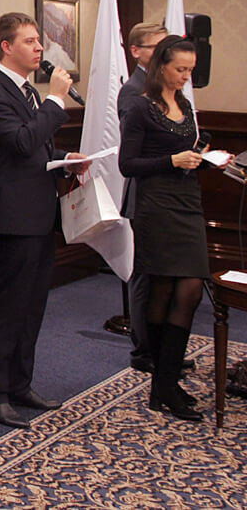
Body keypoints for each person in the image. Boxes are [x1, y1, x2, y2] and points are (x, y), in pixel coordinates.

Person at [0, 12, 88, 430]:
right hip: (13, 217)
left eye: (39, 40)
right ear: (6, 47)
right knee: (8, 308)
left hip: (40, 213)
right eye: (30, 41)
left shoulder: (29, 93)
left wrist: (64, 160)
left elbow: (36, 150)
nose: (40, 48)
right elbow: (21, 144)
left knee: (33, 305)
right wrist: (56, 100)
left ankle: (20, 384)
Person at [119, 35, 231, 421]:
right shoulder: (140, 107)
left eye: (190, 70)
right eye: (180, 69)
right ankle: (164, 384)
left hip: (187, 204)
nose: (186, 76)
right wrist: (172, 160)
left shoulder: (184, 103)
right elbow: (127, 164)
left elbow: (186, 152)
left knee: (191, 290)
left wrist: (203, 157)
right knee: (165, 289)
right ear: (161, 66)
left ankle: (165, 383)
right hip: (157, 206)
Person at [117, 23, 168, 374]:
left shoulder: (167, 87)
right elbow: (136, 149)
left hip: (171, 194)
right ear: (136, 51)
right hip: (145, 195)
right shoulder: (133, 91)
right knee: (146, 275)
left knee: (167, 275)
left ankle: (164, 347)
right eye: (157, 48)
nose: (165, 55)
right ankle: (144, 349)